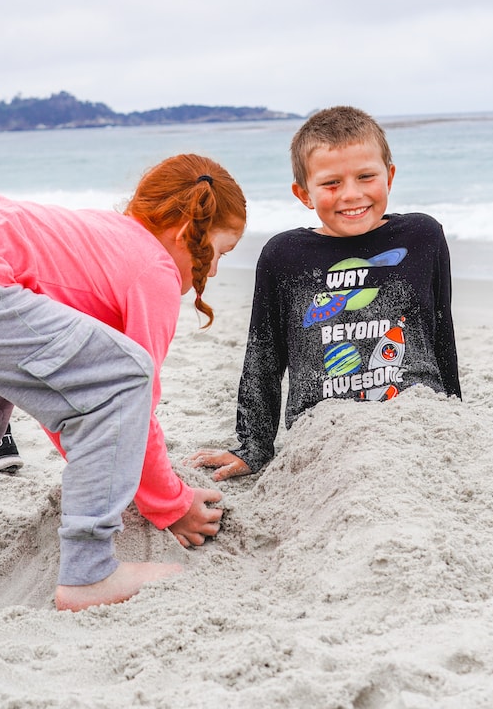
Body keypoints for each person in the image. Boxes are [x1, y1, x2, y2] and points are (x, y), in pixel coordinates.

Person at [0, 154, 246, 610]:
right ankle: (89, 573)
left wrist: (107, 465)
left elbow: (67, 396)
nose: (212, 272)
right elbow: (130, 399)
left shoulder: (96, 236)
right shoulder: (152, 268)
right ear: (186, 230)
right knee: (129, 376)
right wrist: (171, 504)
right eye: (219, 252)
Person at [190, 106, 459, 481]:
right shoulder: (284, 255)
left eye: (367, 176)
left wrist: (457, 417)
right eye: (332, 183)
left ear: (390, 176)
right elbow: (263, 355)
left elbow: (440, 332)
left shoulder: (422, 236)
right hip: (326, 436)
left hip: (419, 424)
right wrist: (254, 445)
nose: (352, 194)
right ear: (304, 193)